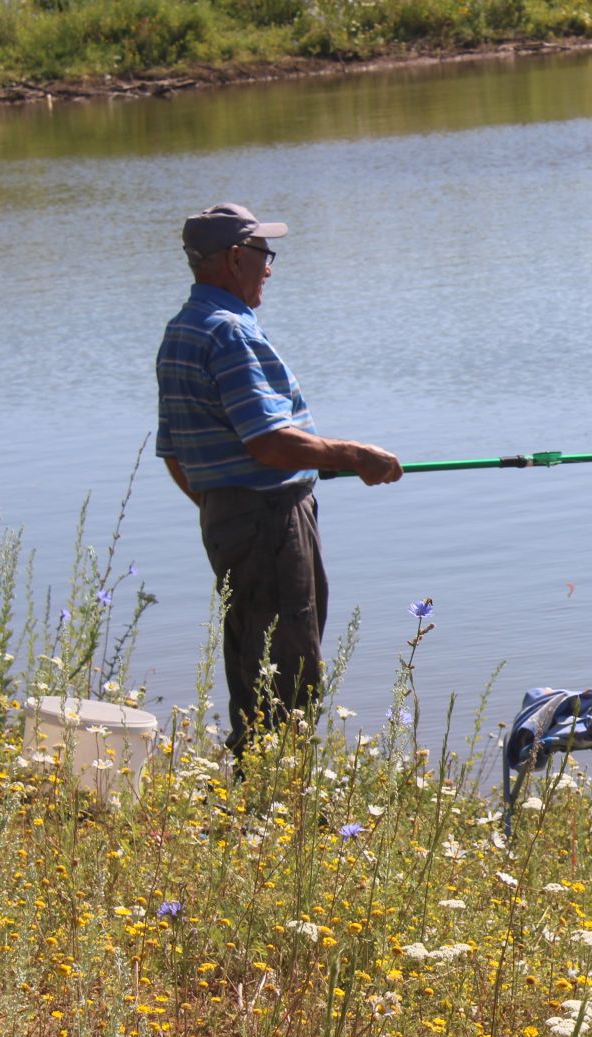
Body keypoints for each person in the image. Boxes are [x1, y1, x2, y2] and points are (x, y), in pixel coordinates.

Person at [156, 202, 404, 757]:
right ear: (236, 258)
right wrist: (356, 454)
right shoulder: (229, 333)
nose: (270, 267)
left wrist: (222, 500)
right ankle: (278, 803)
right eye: (265, 255)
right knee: (289, 669)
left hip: (227, 519)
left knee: (253, 659)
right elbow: (268, 441)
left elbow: (174, 452)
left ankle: (256, 791)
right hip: (269, 523)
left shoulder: (182, 330)